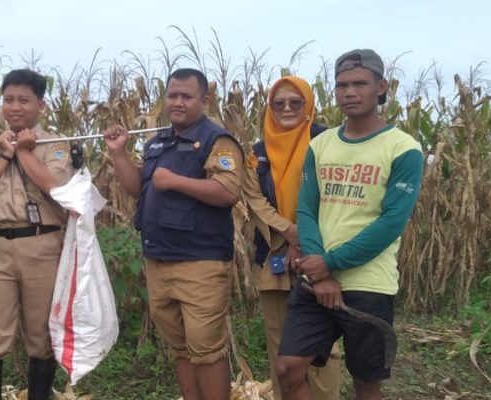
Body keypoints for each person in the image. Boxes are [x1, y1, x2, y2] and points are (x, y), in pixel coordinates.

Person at [276, 49, 424, 400]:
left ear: (381, 88)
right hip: (315, 281)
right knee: (288, 368)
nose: (349, 92)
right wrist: (319, 272)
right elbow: (307, 210)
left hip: (369, 284)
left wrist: (330, 263)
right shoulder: (320, 145)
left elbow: (390, 223)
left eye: (360, 84)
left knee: (366, 383)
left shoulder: (403, 148)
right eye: (342, 85)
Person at [103, 68, 243, 400]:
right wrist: (119, 153)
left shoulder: (217, 140)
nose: (177, 102)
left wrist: (176, 181)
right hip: (159, 260)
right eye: (172, 95)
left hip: (200, 262)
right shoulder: (158, 142)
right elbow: (139, 188)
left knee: (206, 349)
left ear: (204, 100)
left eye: (186, 96)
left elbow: (228, 191)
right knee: (180, 347)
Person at [0, 68, 73, 400]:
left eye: (23, 100)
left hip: (42, 246)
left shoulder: (54, 144)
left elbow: (55, 187)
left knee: (42, 335)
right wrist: (5, 154)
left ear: (41, 105)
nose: (14, 107)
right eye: (8, 99)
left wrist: (24, 151)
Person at [242, 75, 340, 400]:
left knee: (322, 345)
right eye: (278, 103)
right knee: (280, 342)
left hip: (319, 254)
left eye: (295, 103)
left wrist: (306, 241)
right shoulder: (258, 152)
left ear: (308, 105)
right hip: (274, 253)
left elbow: (334, 198)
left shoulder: (327, 142)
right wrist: (289, 233)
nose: (286, 108)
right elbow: (254, 200)